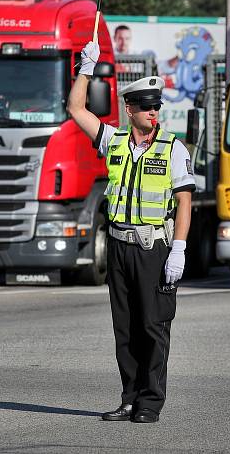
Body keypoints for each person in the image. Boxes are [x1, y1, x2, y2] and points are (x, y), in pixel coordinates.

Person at [66, 41, 195, 424]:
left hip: (154, 247)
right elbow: (76, 109)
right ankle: (129, 398)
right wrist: (85, 70)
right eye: (146, 106)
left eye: (156, 106)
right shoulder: (114, 141)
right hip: (120, 248)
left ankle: (151, 404)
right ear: (130, 109)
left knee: (153, 327)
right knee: (125, 329)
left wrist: (180, 250)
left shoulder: (174, 149)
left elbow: (184, 201)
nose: (153, 112)